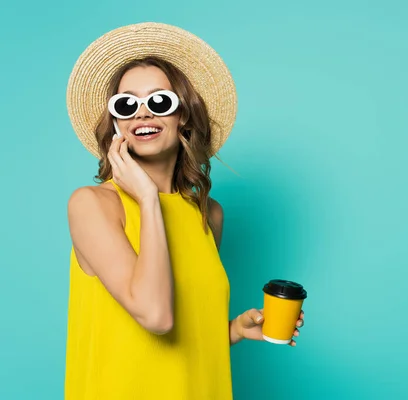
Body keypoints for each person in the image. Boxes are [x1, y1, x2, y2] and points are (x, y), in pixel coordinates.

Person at [63, 22, 304, 399]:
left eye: (160, 101)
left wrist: (234, 330)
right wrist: (146, 197)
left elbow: (181, 341)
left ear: (184, 116)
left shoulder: (209, 215)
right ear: (116, 124)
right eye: (127, 105)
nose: (142, 114)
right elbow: (155, 317)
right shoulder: (92, 205)